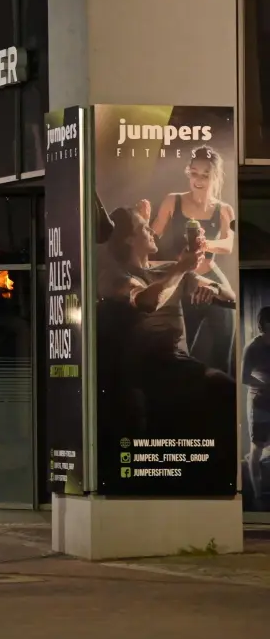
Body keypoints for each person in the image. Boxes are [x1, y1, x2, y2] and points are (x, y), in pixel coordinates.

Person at [96, 206, 236, 439]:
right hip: (146, 371)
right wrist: (182, 267)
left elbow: (230, 297)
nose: (152, 230)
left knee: (226, 392)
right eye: (143, 227)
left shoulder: (169, 269)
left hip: (180, 366)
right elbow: (145, 301)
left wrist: (212, 289)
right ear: (129, 239)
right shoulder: (114, 277)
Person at [150, 145, 238, 373]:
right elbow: (152, 236)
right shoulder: (173, 200)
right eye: (194, 172)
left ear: (215, 176)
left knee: (225, 337)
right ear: (188, 171)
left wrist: (204, 243)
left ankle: (223, 398)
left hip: (210, 275)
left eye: (205, 175)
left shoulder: (224, 209)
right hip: (185, 279)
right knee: (181, 348)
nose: (198, 179)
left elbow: (229, 244)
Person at [247, 308, 270, 509]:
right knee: (257, 448)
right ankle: (257, 495)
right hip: (260, 404)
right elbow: (244, 377)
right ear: (262, 327)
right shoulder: (252, 348)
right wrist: (265, 385)